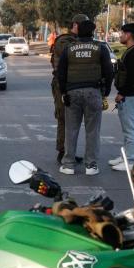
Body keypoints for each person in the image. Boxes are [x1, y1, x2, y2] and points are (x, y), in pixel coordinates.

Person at [57, 19, 114, 175]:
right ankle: (91, 165)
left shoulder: (69, 49)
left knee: (71, 130)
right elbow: (109, 71)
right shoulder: (100, 48)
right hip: (93, 92)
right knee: (93, 131)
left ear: (78, 32)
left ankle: (68, 165)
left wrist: (63, 92)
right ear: (92, 32)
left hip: (72, 93)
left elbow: (61, 73)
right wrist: (106, 91)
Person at [51, 14, 88, 164]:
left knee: (74, 120)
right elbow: (72, 54)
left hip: (76, 83)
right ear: (76, 25)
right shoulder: (64, 41)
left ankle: (69, 151)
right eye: (84, 26)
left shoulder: (80, 40)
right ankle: (62, 152)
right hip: (62, 84)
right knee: (64, 118)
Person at [109, 23, 134, 172]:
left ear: (129, 35)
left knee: (131, 130)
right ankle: (127, 156)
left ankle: (131, 161)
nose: (120, 35)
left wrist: (122, 93)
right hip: (129, 96)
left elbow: (131, 76)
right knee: (128, 129)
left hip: (130, 96)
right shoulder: (131, 51)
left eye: (122, 33)